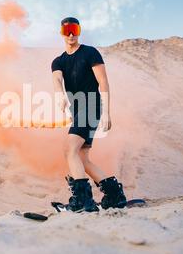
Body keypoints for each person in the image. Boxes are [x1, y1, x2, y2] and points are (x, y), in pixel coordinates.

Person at [51, 17, 128, 212]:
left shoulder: (90, 52)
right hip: (77, 111)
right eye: (67, 29)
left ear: (79, 31)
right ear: (61, 32)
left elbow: (103, 82)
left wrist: (107, 113)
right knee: (82, 157)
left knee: (69, 150)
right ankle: (113, 195)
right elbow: (57, 79)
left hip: (91, 106)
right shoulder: (58, 61)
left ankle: (83, 202)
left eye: (74, 29)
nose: (71, 34)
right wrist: (59, 95)